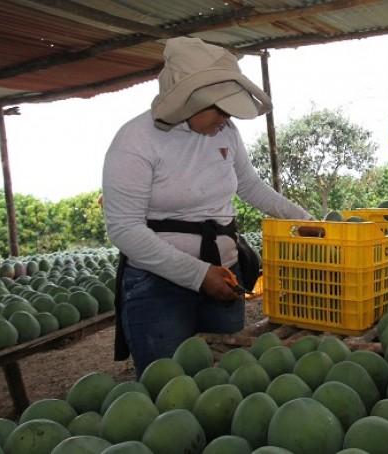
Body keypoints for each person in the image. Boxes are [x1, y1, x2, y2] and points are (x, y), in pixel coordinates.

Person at [103, 37, 312, 376]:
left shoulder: (225, 132)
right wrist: (198, 275)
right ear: (187, 101)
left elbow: (249, 186)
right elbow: (124, 228)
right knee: (169, 386)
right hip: (159, 286)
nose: (226, 118)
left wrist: (304, 219)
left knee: (226, 380)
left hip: (225, 276)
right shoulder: (135, 141)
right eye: (219, 108)